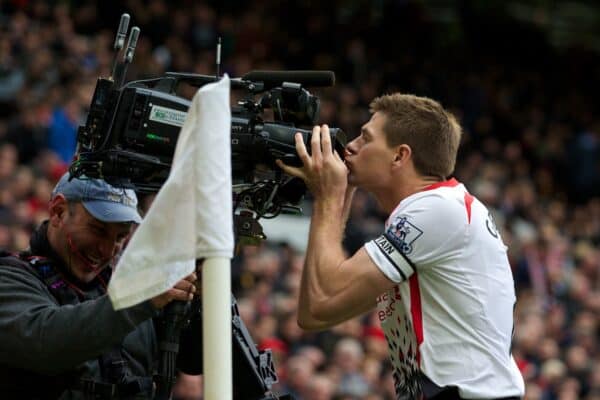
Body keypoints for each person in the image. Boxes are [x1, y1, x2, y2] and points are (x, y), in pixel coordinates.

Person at [277, 93, 525, 399]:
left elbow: (325, 291)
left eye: (366, 138)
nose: (351, 145)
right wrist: (340, 194)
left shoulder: (436, 210)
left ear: (399, 156)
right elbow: (316, 312)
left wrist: (329, 196)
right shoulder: (442, 209)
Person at [0, 172, 200, 399]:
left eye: (120, 237)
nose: (106, 250)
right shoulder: (10, 279)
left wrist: (203, 296)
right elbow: (46, 342)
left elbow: (196, 361)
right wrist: (140, 299)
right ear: (58, 211)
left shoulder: (134, 293)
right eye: (98, 230)